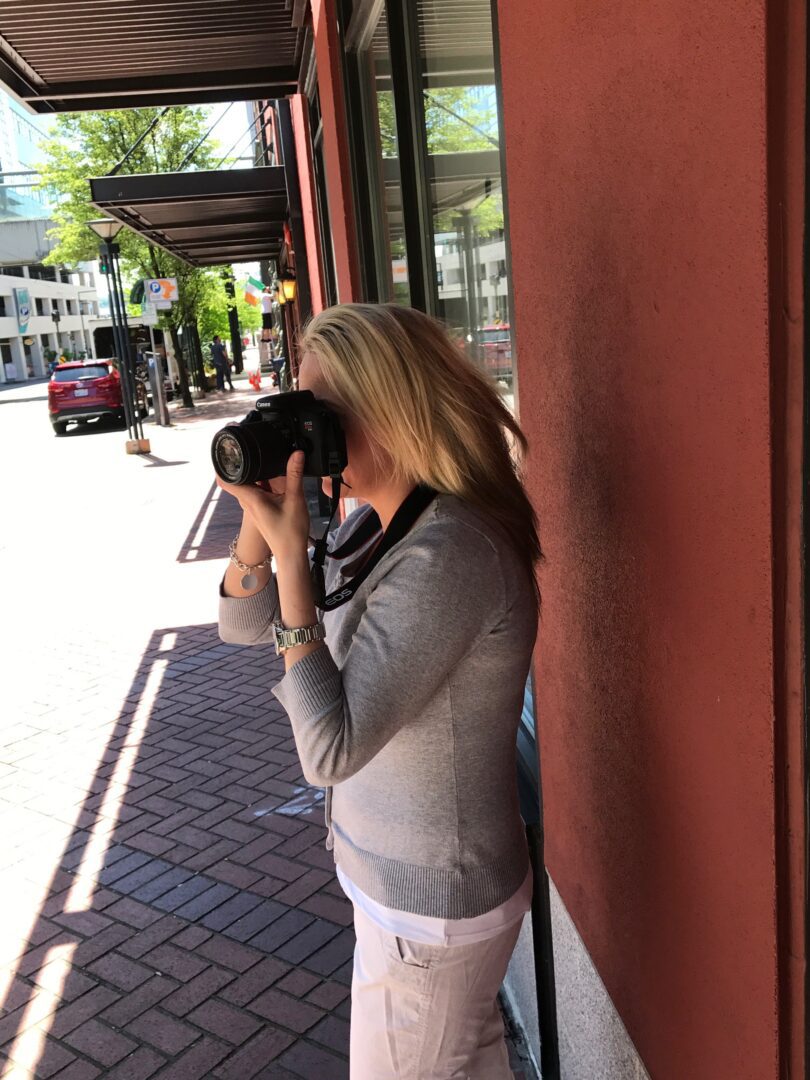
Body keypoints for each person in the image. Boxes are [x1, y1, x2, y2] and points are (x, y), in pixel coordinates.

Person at [216, 303, 542, 1079]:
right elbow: (241, 623)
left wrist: (296, 567)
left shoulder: (448, 552)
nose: (302, 437)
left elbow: (330, 750)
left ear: (390, 410)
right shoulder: (377, 527)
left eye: (316, 416)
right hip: (410, 895)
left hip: (429, 911)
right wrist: (259, 522)